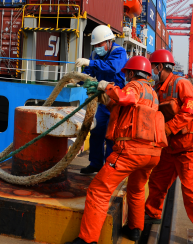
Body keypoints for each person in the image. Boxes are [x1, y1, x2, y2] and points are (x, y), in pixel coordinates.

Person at [66, 56, 166, 244]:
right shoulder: (152, 93)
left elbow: (124, 97)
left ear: (131, 73)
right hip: (152, 153)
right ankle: (135, 229)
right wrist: (104, 98)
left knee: (99, 190)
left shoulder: (135, 86)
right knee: (136, 189)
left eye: (127, 74)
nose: (126, 77)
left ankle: (88, 240)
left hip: (131, 150)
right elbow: (126, 108)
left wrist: (106, 86)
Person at [144, 50, 193, 244]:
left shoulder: (181, 84)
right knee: (157, 181)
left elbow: (192, 109)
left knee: (191, 191)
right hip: (170, 148)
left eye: (152, 68)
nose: (150, 72)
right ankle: (152, 214)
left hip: (188, 149)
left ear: (160, 67)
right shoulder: (159, 87)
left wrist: (169, 128)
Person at [75, 25, 127, 175]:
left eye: (100, 44)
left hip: (115, 101)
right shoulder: (95, 55)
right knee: (97, 131)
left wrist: (89, 62)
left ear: (109, 42)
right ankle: (96, 163)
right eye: (95, 45)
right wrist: (76, 79)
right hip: (102, 100)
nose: (97, 48)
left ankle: (109, 167)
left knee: (111, 135)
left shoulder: (119, 52)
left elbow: (111, 68)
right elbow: (89, 73)